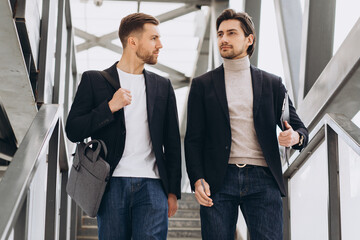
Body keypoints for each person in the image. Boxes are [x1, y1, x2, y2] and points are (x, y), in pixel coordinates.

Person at [185, 9, 308, 240]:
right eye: (220, 34)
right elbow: (193, 139)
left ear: (249, 39)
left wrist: (295, 137)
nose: (224, 39)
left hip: (264, 179)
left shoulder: (272, 84)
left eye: (231, 33)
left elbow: (300, 129)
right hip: (218, 181)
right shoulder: (203, 85)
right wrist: (197, 179)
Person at [65, 13, 181, 240]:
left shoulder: (163, 86)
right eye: (154, 38)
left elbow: (173, 143)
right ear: (133, 41)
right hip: (110, 185)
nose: (160, 45)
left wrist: (173, 192)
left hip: (153, 186)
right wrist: (109, 107)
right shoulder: (94, 80)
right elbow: (73, 130)